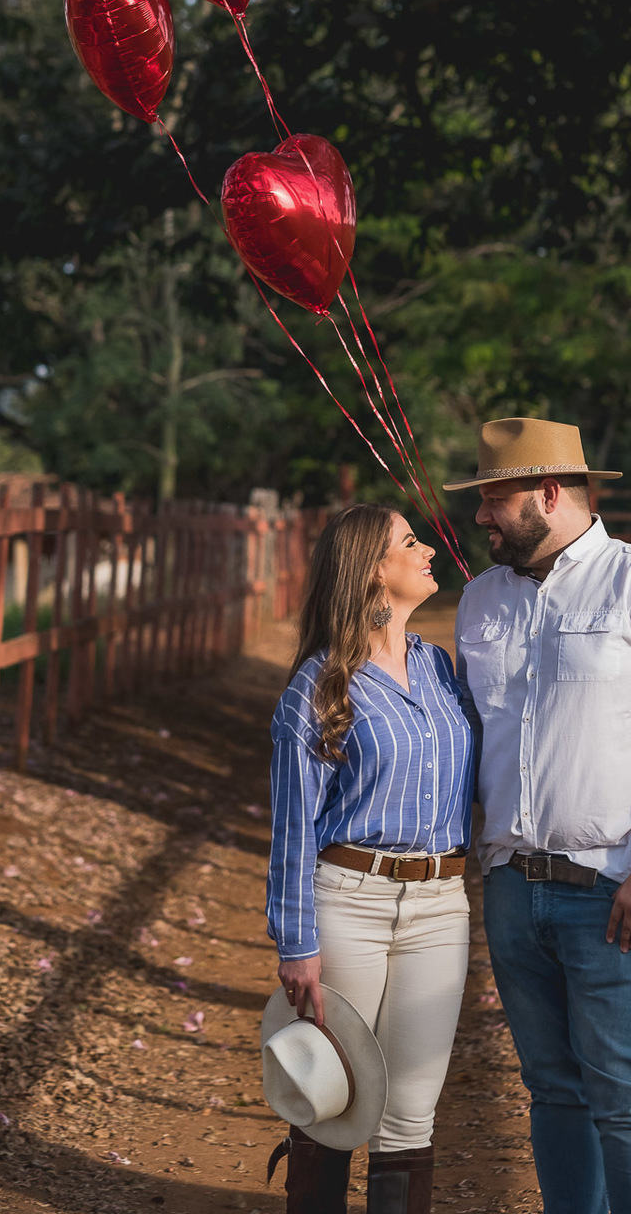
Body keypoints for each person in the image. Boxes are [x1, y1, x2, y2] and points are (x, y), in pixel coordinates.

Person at [446, 418, 631, 1214]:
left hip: (616, 888)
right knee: (551, 1089)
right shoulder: (479, 600)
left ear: (549, 494)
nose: (481, 515)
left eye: (495, 499)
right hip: (512, 888)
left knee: (626, 1094)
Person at [266, 502, 476, 1214]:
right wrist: (297, 944)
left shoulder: (440, 668)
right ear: (372, 571)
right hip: (347, 903)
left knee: (411, 1113)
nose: (429, 550)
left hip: (441, 905)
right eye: (410, 542)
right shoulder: (319, 686)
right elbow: (292, 830)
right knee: (330, 1100)